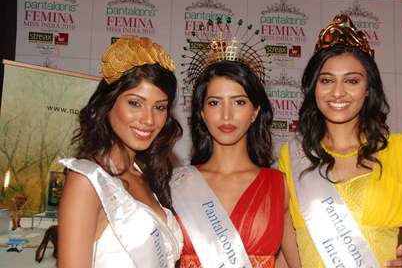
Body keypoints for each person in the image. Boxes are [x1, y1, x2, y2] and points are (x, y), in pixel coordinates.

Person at [278, 15, 402, 267]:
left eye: (352, 81)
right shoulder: (294, 156)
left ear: (368, 88)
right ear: (313, 88)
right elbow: (288, 254)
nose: (338, 92)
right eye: (327, 80)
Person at [171, 18, 301, 268]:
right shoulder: (175, 183)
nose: (226, 115)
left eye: (239, 102)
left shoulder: (280, 187)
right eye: (215, 102)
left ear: (255, 112)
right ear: (202, 113)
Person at [57, 36, 183, 268]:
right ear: (109, 102)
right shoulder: (87, 180)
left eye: (159, 107)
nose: (148, 119)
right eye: (135, 103)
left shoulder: (145, 175)